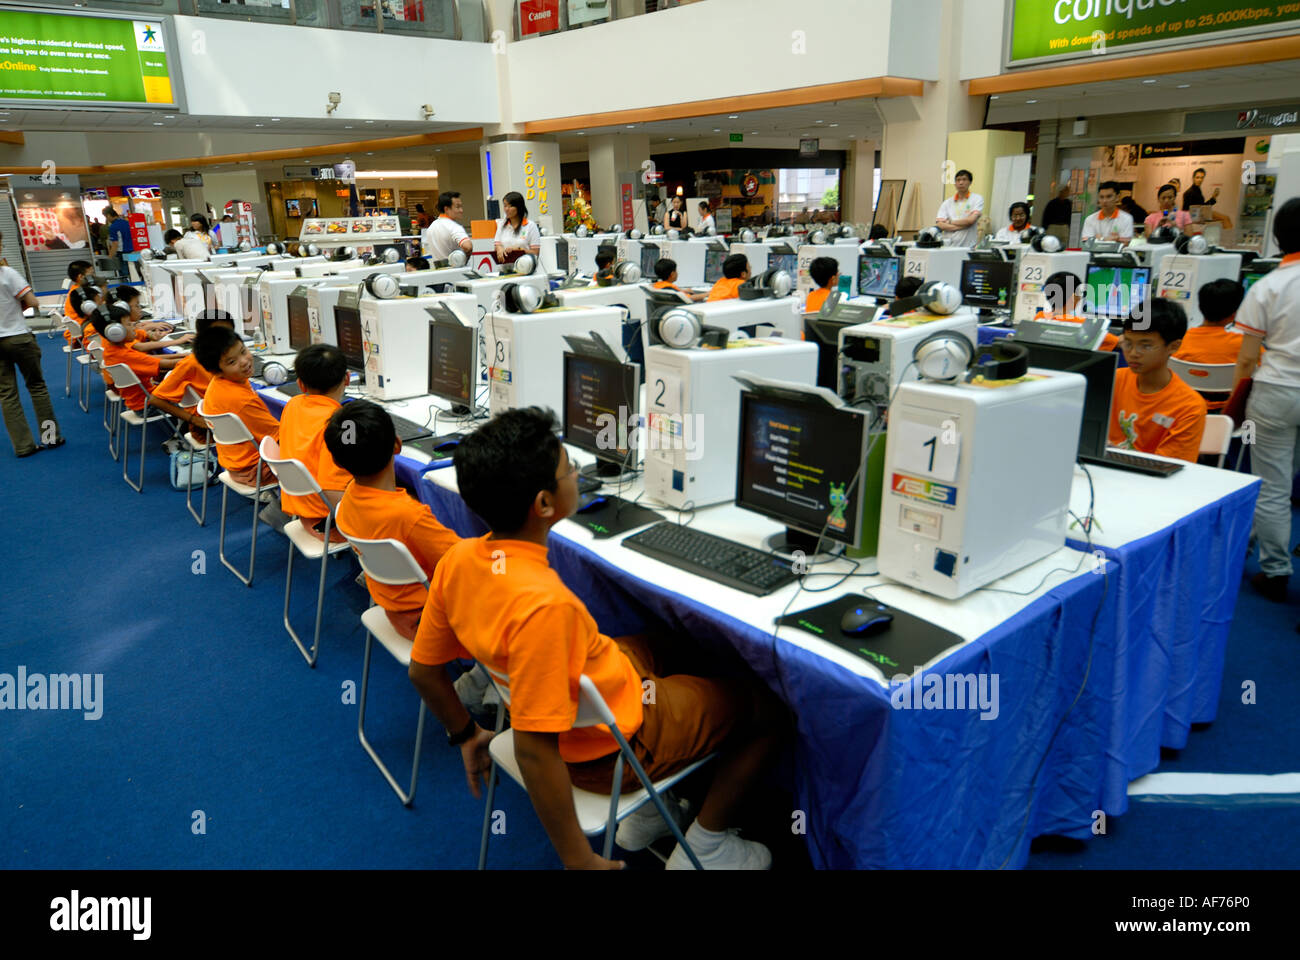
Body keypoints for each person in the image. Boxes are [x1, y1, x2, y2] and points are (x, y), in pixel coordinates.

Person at [407, 407, 786, 869]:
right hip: (609, 750)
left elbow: (423, 670)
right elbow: (534, 748)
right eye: (570, 469)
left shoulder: (459, 561)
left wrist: (465, 733)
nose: (578, 474)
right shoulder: (547, 608)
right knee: (771, 709)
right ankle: (708, 845)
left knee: (680, 643)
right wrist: (578, 858)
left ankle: (651, 808)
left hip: (603, 684)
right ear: (545, 504)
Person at [326, 400, 460, 640]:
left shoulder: (346, 502)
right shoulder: (409, 515)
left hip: (393, 610)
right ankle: (479, 676)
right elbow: (464, 565)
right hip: (431, 621)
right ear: (398, 445)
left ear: (337, 461)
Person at [1231, 197, 1300, 607]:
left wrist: (1238, 402)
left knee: (1272, 484)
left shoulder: (1269, 285)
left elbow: (1245, 358)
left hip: (1275, 391)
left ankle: (1275, 571)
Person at [1108, 297, 1206, 462]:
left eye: (1145, 346)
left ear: (1173, 346)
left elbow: (1166, 467)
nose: (1133, 353)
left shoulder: (1189, 407)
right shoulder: (1113, 380)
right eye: (1128, 343)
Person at [276, 344, 354, 544]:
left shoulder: (292, 405)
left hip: (303, 512)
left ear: (300, 385)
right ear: (347, 378)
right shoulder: (341, 424)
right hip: (329, 523)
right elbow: (335, 489)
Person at [192, 325, 280, 487]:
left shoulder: (219, 383)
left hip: (237, 464)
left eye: (243, 351)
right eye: (232, 362)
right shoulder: (241, 401)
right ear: (217, 371)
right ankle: (282, 508)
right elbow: (279, 437)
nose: (244, 361)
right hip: (257, 470)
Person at [0, 230, 63, 458]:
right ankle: (50, 437)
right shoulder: (7, 273)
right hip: (18, 335)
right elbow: (32, 301)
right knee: (36, 386)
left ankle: (23, 446)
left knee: (7, 394)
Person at [92, 302, 193, 423]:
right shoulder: (123, 354)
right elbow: (166, 364)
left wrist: (183, 355)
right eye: (129, 324)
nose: (134, 327)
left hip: (140, 401)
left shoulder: (113, 349)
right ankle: (188, 429)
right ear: (116, 332)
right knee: (191, 393)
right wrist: (199, 357)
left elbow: (153, 361)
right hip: (147, 406)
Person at [152, 310, 237, 439]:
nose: (224, 339)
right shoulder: (191, 363)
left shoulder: (230, 358)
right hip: (217, 426)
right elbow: (155, 400)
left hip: (232, 415)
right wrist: (194, 420)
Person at [934, 169, 984, 248]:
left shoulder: (977, 198)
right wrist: (963, 225)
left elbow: (970, 221)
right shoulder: (947, 202)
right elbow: (940, 224)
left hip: (968, 245)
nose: (961, 183)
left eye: (964, 179)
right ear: (955, 183)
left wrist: (949, 222)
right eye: (958, 180)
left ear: (970, 182)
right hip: (948, 246)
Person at [422, 191, 473, 263]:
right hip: (456, 270)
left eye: (461, 206)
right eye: (457, 207)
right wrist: (465, 260)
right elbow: (468, 246)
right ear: (446, 209)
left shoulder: (432, 226)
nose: (461, 210)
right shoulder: (454, 227)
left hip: (438, 270)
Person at [494, 191, 541, 265]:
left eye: (510, 206)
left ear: (519, 207)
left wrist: (519, 250)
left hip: (525, 269)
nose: (507, 209)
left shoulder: (530, 226)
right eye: (505, 206)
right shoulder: (501, 225)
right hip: (505, 270)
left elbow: (535, 253)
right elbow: (497, 244)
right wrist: (499, 249)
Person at [104, 207, 133, 279]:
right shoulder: (127, 223)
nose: (107, 219)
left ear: (108, 215)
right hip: (133, 252)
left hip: (122, 253)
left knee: (124, 275)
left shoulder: (113, 226)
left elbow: (115, 244)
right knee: (133, 272)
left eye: (106, 217)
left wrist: (110, 257)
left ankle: (126, 288)